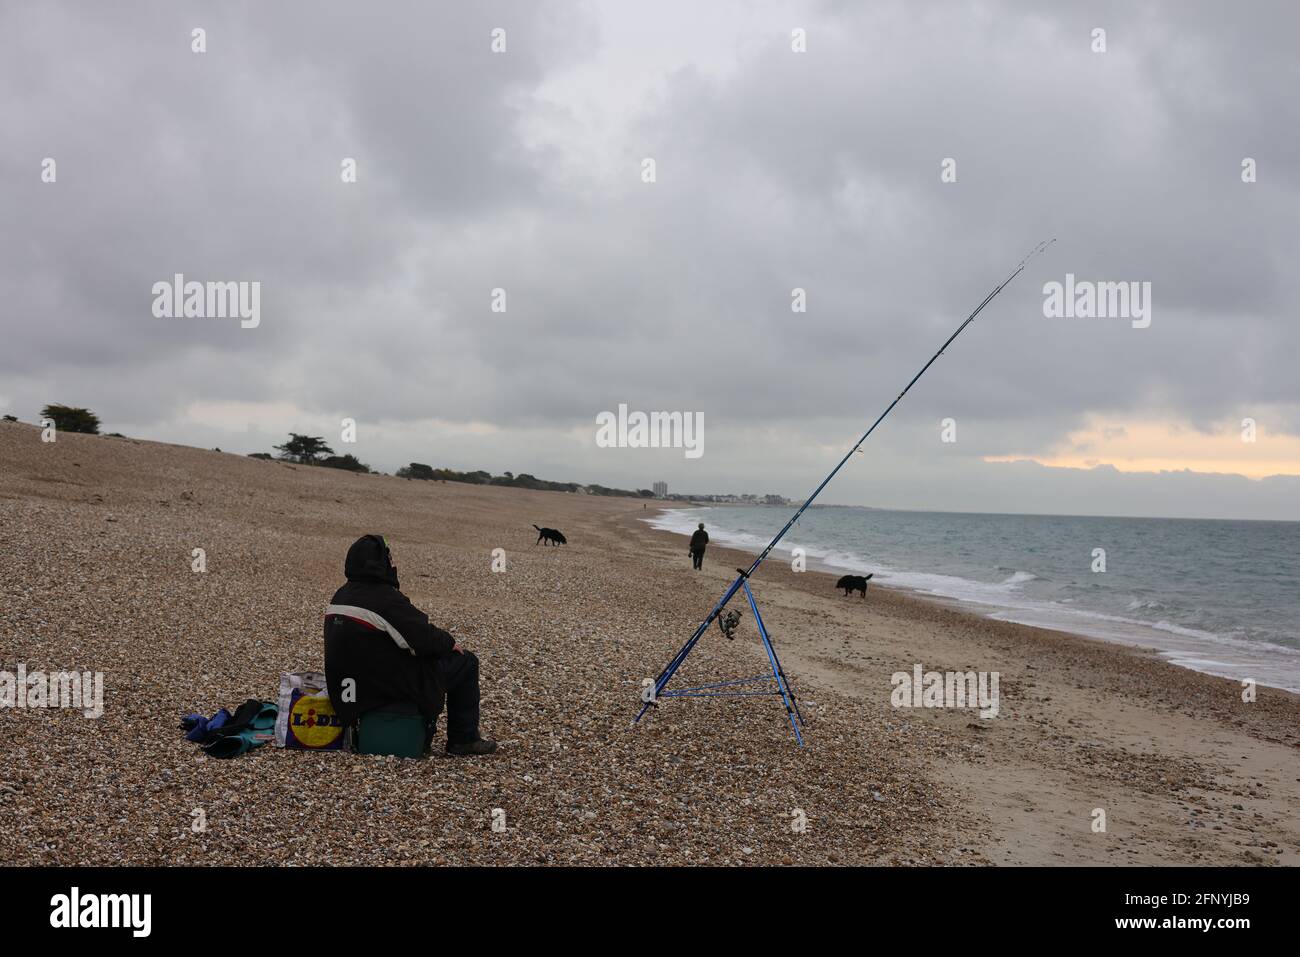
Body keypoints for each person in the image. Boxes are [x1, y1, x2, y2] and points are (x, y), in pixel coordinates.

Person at [324, 535, 497, 756]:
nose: (393, 563)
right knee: (466, 662)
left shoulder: (341, 595)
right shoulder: (384, 598)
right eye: (389, 557)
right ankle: (463, 740)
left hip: (350, 692)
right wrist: (450, 643)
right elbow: (423, 638)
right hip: (383, 688)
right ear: (379, 564)